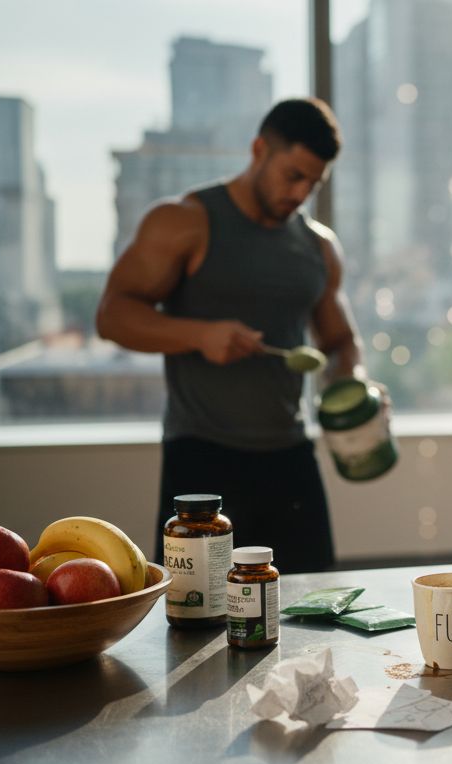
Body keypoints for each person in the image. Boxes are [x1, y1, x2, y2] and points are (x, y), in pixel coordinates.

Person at [97, 97, 373, 574]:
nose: (302, 191)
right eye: (293, 175)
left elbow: (340, 343)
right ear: (258, 149)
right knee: (195, 613)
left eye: (314, 181)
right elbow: (113, 315)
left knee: (315, 608)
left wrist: (352, 388)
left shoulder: (318, 246)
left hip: (289, 453)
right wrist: (198, 334)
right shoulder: (183, 220)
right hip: (202, 453)